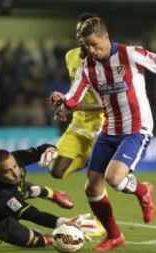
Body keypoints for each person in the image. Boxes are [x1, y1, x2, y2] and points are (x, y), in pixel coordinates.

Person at [50, 16, 156, 252]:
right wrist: (62, 104)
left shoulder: (130, 55)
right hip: (109, 129)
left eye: (96, 44)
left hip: (137, 128)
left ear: (106, 36)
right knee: (92, 189)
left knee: (114, 178)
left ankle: (143, 190)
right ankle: (114, 236)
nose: (93, 51)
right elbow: (74, 96)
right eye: (88, 47)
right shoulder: (88, 67)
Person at [0, 143, 96, 248]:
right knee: (39, 241)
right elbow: (35, 215)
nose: (15, 173)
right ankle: (40, 237)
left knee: (30, 189)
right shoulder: (3, 198)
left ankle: (52, 193)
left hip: (0, 192)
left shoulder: (14, 159)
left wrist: (50, 150)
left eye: (15, 166)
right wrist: (63, 222)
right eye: (8, 171)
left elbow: (41, 149)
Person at [49, 13, 103, 180]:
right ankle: (87, 158)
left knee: (97, 179)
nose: (81, 35)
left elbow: (107, 103)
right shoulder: (70, 56)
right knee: (56, 171)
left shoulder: (103, 61)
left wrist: (71, 106)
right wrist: (63, 102)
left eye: (86, 31)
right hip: (79, 121)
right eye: (79, 31)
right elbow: (77, 89)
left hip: (102, 123)